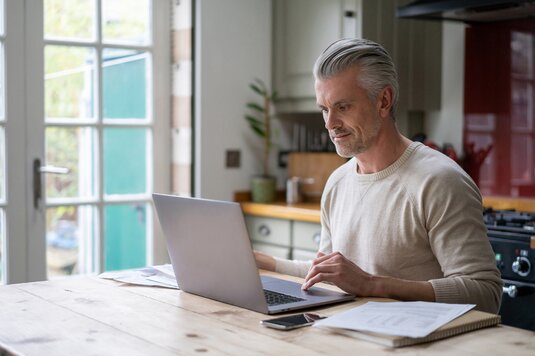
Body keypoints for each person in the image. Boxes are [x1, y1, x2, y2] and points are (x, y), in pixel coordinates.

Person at [255, 38, 502, 314]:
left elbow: (486, 294)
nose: (329, 123)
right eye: (324, 109)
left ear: (384, 101)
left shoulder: (439, 181)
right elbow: (328, 273)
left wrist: (374, 285)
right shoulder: (337, 183)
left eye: (343, 107)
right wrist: (261, 262)